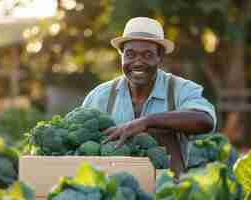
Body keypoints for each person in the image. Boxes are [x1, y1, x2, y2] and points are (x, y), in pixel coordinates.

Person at [82, 17, 217, 176]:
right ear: (121, 56)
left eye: (147, 55)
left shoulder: (181, 89)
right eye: (130, 54)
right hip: (115, 189)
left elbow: (204, 121)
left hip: (168, 189)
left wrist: (147, 122)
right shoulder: (99, 96)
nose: (137, 62)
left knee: (161, 131)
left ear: (160, 57)